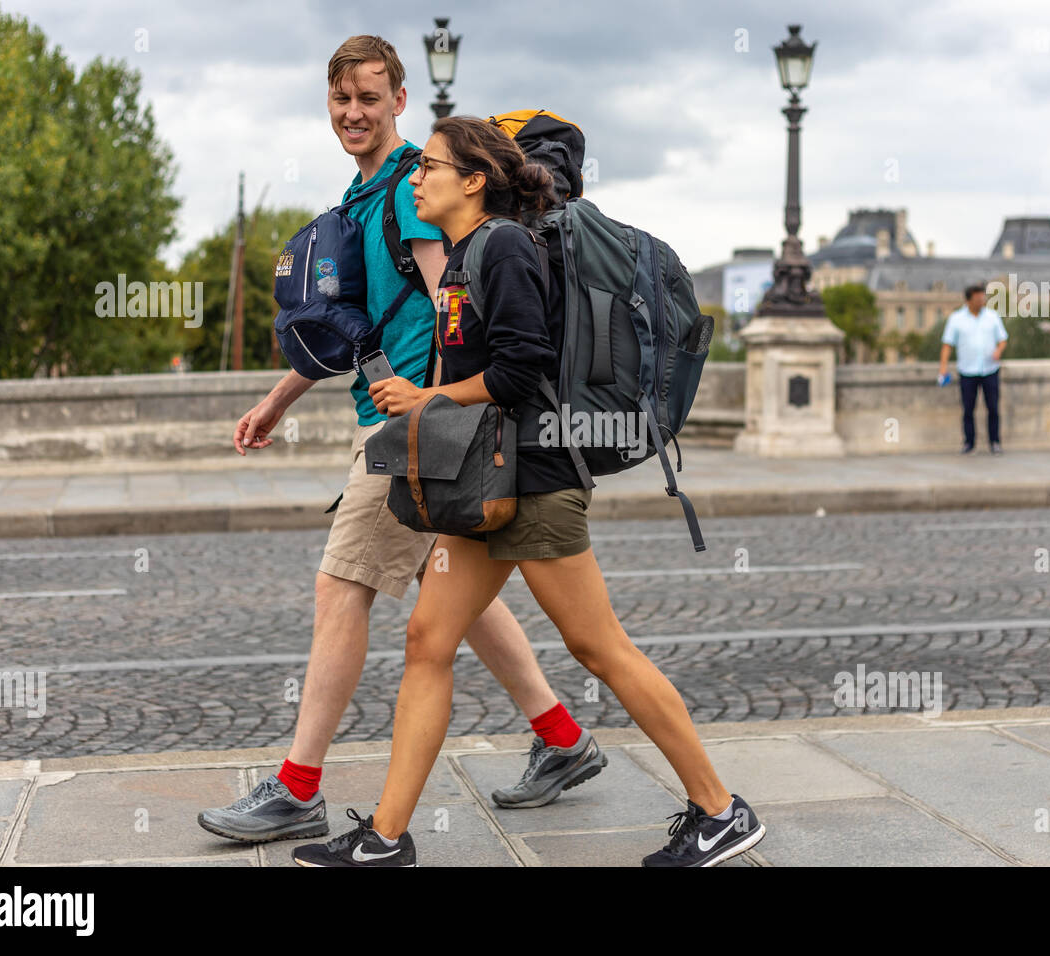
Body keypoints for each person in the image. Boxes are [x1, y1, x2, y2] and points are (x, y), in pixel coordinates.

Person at [291, 117, 766, 868]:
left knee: (598, 647)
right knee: (427, 641)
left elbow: (521, 369)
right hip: (487, 481)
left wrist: (426, 401)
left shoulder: (504, 246)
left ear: (474, 180)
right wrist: (425, 397)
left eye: (432, 167)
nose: (417, 176)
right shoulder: (462, 257)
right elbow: (485, 368)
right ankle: (385, 838)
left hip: (538, 480)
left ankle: (720, 809)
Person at [198, 36, 604, 845]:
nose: (355, 113)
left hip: (415, 426)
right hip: (405, 416)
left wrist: (429, 409)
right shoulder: (364, 194)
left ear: (399, 101)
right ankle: (562, 739)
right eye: (342, 99)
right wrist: (278, 398)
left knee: (341, 584)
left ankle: (299, 786)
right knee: (447, 591)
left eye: (370, 98)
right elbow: (352, 323)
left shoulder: (418, 188)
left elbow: (459, 297)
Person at [938, 283, 1009, 455]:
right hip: (967, 370)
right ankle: (969, 442)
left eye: (983, 297)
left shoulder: (992, 316)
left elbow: (1003, 339)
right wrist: (943, 368)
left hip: (990, 369)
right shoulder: (956, 319)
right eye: (978, 298)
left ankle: (995, 441)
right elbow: (947, 345)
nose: (981, 301)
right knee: (968, 409)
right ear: (968, 300)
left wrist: (998, 351)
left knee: (993, 407)